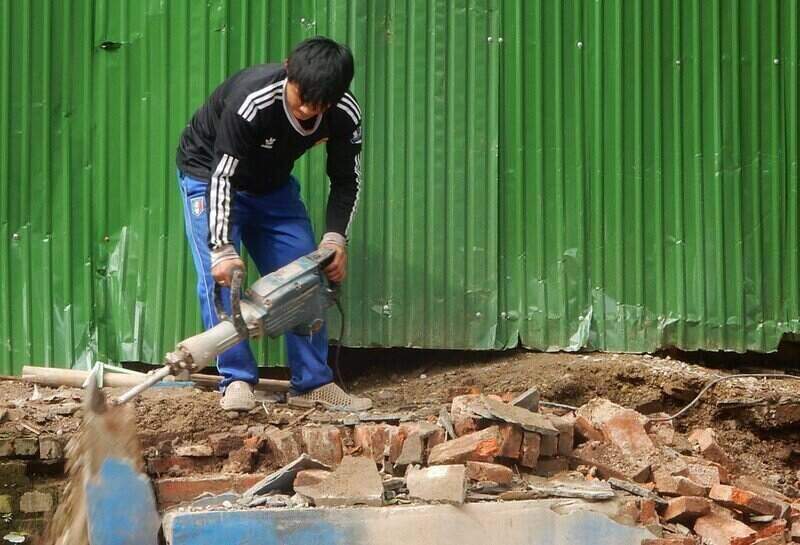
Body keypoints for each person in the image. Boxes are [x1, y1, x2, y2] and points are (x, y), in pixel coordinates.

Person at [175, 36, 372, 412]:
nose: (307, 112)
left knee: (306, 274)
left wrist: (335, 240)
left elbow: (348, 179)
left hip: (272, 185)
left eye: (319, 106)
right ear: (287, 69)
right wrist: (222, 247)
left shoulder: (344, 111)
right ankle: (236, 380)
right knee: (221, 282)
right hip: (209, 174)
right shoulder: (253, 101)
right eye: (301, 100)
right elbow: (223, 177)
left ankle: (313, 383)